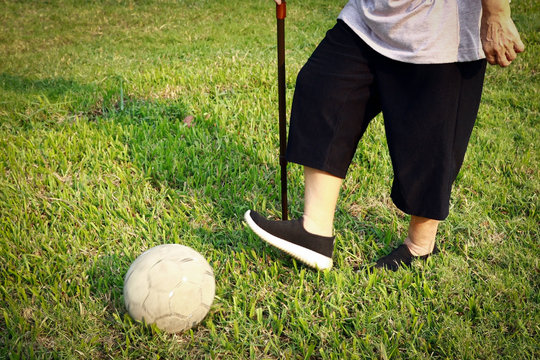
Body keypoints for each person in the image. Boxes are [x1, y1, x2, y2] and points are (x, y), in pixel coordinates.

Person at [245, 0, 525, 271]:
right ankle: (314, 232)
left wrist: (497, 12)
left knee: (428, 137)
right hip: (371, 15)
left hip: (442, 27)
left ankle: (419, 247)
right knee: (324, 88)